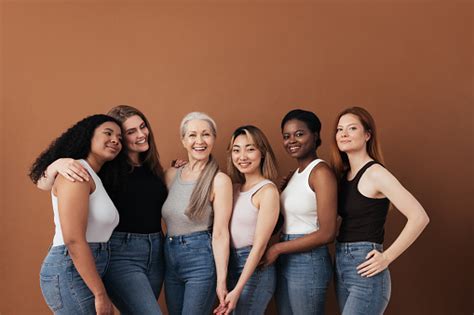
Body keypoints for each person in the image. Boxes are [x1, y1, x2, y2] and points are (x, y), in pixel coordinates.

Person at [36, 105, 168, 314]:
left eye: (142, 127)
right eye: (130, 132)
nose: (141, 134)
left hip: (150, 251)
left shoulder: (152, 169)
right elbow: (71, 237)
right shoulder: (89, 170)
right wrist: (57, 165)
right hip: (109, 256)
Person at [331, 106, 430, 314]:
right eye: (340, 130)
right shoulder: (344, 175)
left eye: (351, 129)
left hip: (365, 267)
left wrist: (387, 257)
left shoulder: (375, 173)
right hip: (341, 264)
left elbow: (419, 217)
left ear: (367, 135)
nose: (344, 134)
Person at [29, 114, 123, 315]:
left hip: (87, 267)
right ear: (88, 136)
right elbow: (73, 239)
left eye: (120, 137)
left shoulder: (94, 175)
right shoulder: (76, 172)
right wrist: (100, 294)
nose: (116, 140)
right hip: (70, 269)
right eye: (108, 133)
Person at [261, 109, 337, 314]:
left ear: (316, 136)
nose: (291, 140)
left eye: (299, 134)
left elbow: (327, 233)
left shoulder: (320, 172)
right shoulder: (295, 174)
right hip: (287, 256)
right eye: (286, 136)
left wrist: (277, 249)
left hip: (308, 260)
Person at [162, 112, 233, 315]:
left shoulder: (219, 181)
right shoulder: (171, 175)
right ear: (183, 140)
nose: (199, 141)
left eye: (206, 134)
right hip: (169, 257)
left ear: (214, 139)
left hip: (200, 260)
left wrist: (221, 281)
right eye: (192, 135)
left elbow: (220, 233)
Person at [214, 125, 279, 315]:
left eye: (250, 149)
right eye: (236, 150)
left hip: (253, 268)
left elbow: (260, 246)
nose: (242, 156)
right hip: (229, 263)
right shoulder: (232, 188)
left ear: (262, 153)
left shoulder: (267, 191)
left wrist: (238, 289)